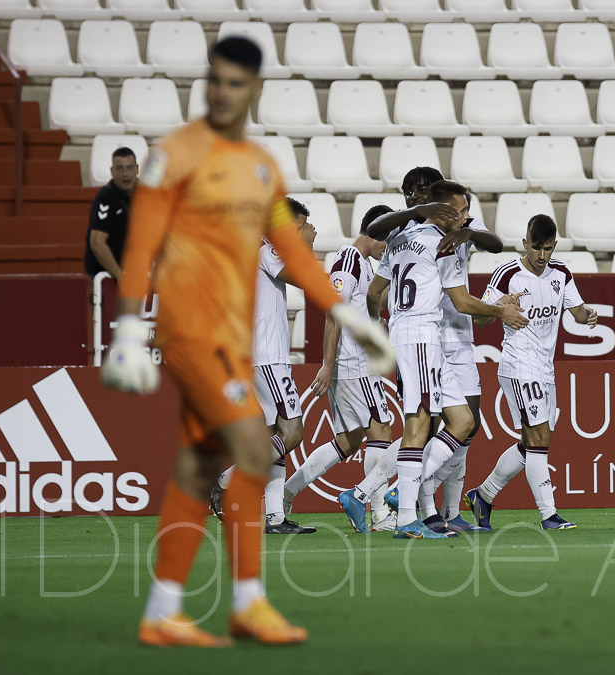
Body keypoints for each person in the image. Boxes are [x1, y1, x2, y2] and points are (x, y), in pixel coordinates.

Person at [101, 36, 393, 647]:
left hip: (237, 344)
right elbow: (145, 241)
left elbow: (299, 260)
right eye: (217, 80)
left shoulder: (261, 168)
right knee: (263, 448)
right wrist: (129, 322)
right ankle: (243, 602)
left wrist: (355, 317)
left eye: (238, 83)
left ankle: (173, 611)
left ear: (253, 91)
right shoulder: (173, 157)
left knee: (206, 462)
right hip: (198, 334)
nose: (225, 93)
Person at [378, 180, 526, 539]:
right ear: (442, 209)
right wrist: (499, 311)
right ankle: (406, 518)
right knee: (417, 425)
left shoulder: (402, 237)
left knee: (461, 421)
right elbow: (462, 303)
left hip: (421, 337)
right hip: (419, 336)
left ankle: (406, 493)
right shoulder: (442, 245)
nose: (465, 218)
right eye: (459, 212)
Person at [464, 214, 599, 531]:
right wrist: (499, 306)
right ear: (525, 243)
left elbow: (577, 312)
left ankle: (483, 495)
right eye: (536, 248)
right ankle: (549, 515)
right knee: (539, 440)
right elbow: (480, 319)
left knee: (532, 441)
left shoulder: (561, 273)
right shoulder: (507, 274)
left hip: (544, 368)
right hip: (518, 365)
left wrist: (588, 314)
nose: (541, 256)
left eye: (548, 249)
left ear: (555, 246)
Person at [208, 197, 319, 535]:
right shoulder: (265, 248)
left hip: (261, 355)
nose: (306, 229)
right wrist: (306, 245)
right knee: (293, 432)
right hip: (267, 357)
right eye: (301, 224)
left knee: (275, 435)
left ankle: (274, 518)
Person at [285, 204, 397, 533]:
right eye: (387, 242)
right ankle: (378, 514)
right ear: (376, 236)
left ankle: (285, 495)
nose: (387, 251)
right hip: (354, 363)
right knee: (382, 430)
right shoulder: (349, 258)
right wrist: (328, 363)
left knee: (349, 440)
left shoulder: (359, 263)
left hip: (353, 362)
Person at [84, 146, 137, 280]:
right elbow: (97, 242)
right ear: (112, 171)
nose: (125, 173)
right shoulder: (106, 198)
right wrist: (120, 277)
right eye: (120, 168)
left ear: (137, 169)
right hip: (104, 278)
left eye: (129, 168)